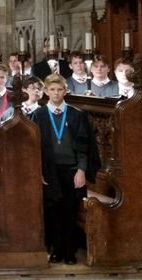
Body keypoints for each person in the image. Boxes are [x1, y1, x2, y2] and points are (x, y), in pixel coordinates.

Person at [30, 75, 99, 265]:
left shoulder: (76, 114)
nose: (56, 93)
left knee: (70, 211)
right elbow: (34, 147)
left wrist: (82, 170)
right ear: (46, 92)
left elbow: (85, 145)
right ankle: (56, 249)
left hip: (72, 169)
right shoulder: (39, 115)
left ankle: (70, 251)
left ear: (65, 90)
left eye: (60, 89)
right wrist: (39, 171)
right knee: (53, 210)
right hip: (49, 170)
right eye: (52, 90)